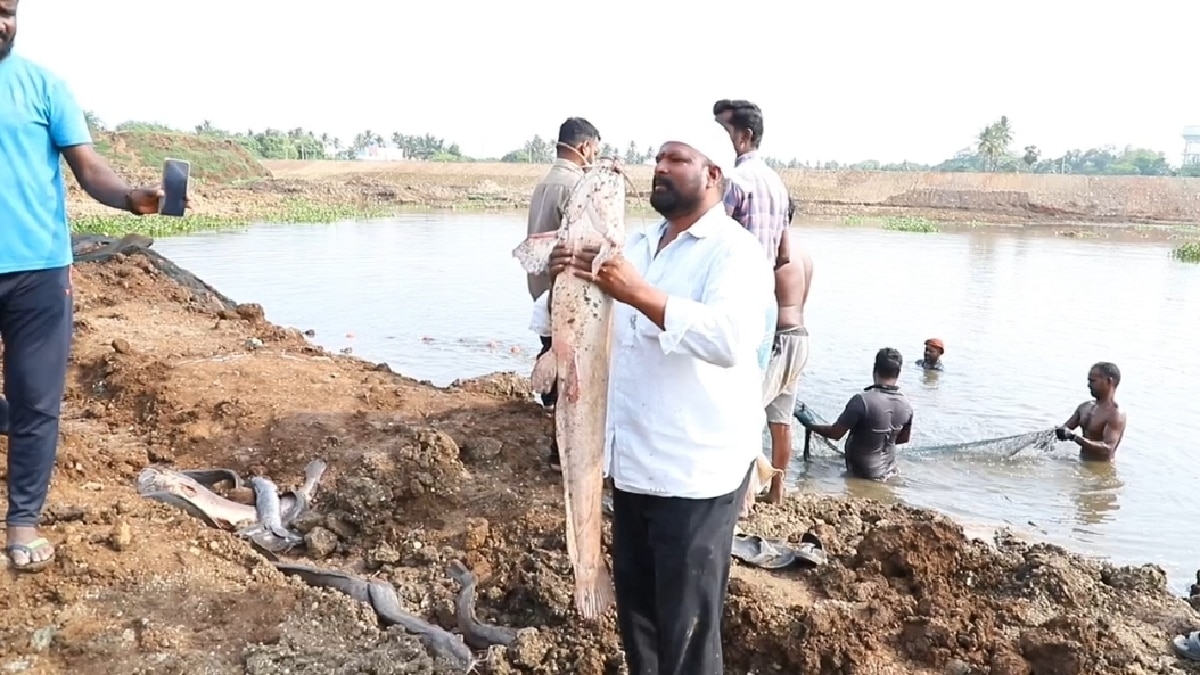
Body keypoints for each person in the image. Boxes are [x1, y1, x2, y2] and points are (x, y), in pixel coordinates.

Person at [548, 121, 773, 675]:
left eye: (676, 159)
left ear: (713, 175)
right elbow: (586, 329)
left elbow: (728, 339)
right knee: (640, 624)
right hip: (633, 467)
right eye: (658, 158)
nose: (661, 168)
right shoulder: (641, 245)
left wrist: (640, 295)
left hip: (695, 476)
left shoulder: (734, 252)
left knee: (688, 635)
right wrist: (564, 279)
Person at [1, 1, 176, 572]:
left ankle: (23, 521)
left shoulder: (44, 85)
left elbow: (87, 166)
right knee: (20, 407)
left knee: (37, 401)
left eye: (8, 11)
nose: (2, 22)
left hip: (39, 273)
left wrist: (130, 196)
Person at [525, 116, 602, 471]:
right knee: (571, 374)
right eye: (595, 152)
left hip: (543, 294)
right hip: (565, 297)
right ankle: (563, 453)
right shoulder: (577, 186)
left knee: (555, 364)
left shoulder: (545, 184)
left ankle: (560, 448)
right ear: (585, 147)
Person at [758, 197, 813, 504]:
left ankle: (746, 494)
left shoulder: (776, 253)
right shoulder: (805, 255)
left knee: (746, 413)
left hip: (779, 339)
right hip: (801, 338)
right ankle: (777, 490)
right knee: (781, 422)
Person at [797, 348, 914, 481]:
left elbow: (836, 434)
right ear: (898, 372)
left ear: (874, 368)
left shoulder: (862, 400)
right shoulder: (906, 405)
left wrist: (811, 425)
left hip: (862, 474)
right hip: (890, 472)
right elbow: (903, 439)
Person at [712, 99, 790, 270]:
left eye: (725, 131)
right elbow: (784, 255)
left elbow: (711, 241)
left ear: (745, 136)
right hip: (762, 288)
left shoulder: (733, 180)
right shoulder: (777, 184)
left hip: (731, 283)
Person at [1055, 362, 1126, 461]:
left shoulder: (1115, 414)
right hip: (1082, 462)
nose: (1088, 385)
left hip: (1101, 471)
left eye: (1092, 381)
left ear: (1108, 382)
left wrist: (1075, 438)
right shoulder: (1084, 407)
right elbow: (1065, 429)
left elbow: (1108, 448)